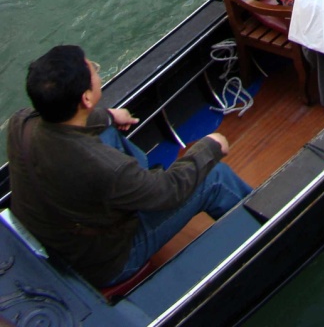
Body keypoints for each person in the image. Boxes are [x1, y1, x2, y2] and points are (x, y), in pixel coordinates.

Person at [7, 45, 251, 289]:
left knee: (107, 134)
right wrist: (210, 146)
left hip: (53, 234)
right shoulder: (103, 167)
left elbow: (67, 124)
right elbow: (167, 192)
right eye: (94, 69)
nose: (97, 71)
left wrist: (109, 116)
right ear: (86, 98)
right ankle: (264, 229)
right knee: (215, 177)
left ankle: (139, 185)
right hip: (104, 262)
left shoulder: (21, 122)